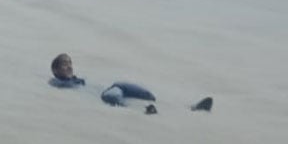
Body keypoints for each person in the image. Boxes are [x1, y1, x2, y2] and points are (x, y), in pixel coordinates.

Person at [48, 54, 213, 113]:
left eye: (70, 62)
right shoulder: (57, 82)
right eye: (64, 64)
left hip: (115, 87)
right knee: (118, 100)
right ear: (56, 70)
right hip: (105, 95)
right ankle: (143, 112)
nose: (69, 66)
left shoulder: (77, 79)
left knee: (148, 97)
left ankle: (188, 108)